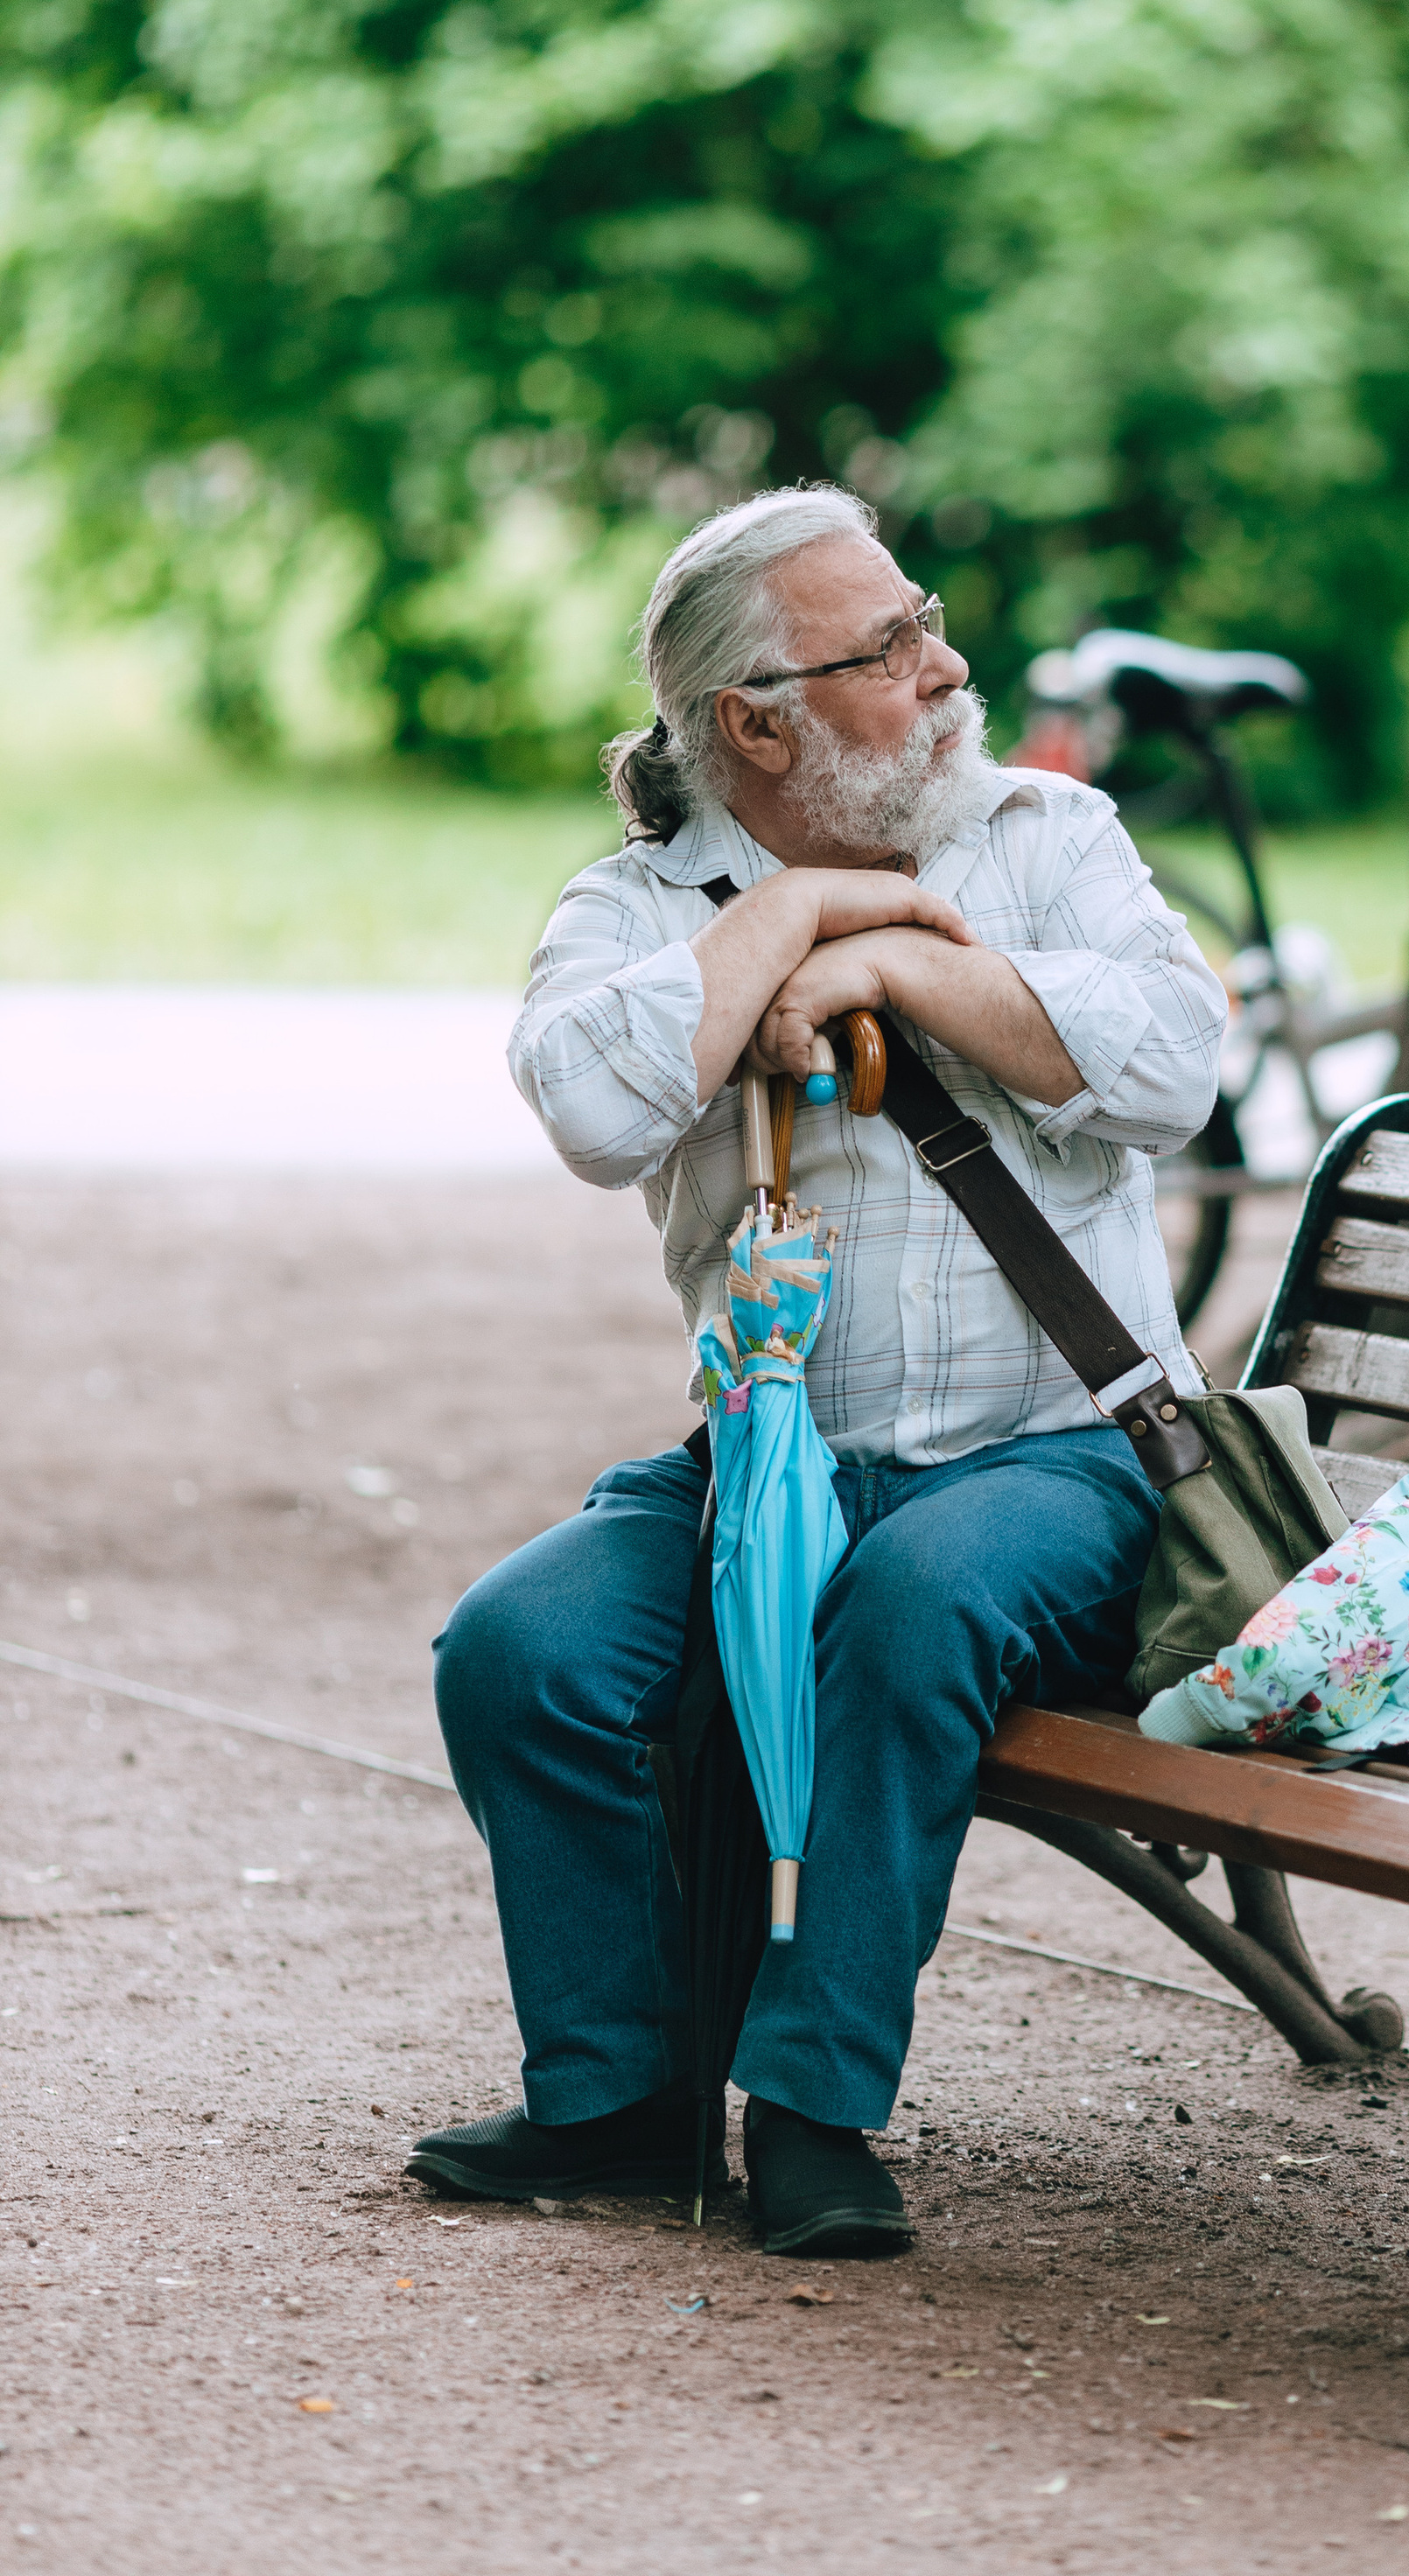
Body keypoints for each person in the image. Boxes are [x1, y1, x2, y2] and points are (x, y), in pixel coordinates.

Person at [405, 485, 1226, 2252]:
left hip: (1055, 1459)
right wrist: (785, 925)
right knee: (521, 1650)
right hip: (776, 1471)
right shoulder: (640, 908)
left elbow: (1169, 1071)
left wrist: (894, 966)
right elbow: (591, 1105)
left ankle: (814, 2103)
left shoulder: (1045, 837)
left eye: (924, 619)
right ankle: (620, 2100)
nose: (944, 668)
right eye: (890, 647)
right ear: (755, 722)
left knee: (913, 1603)